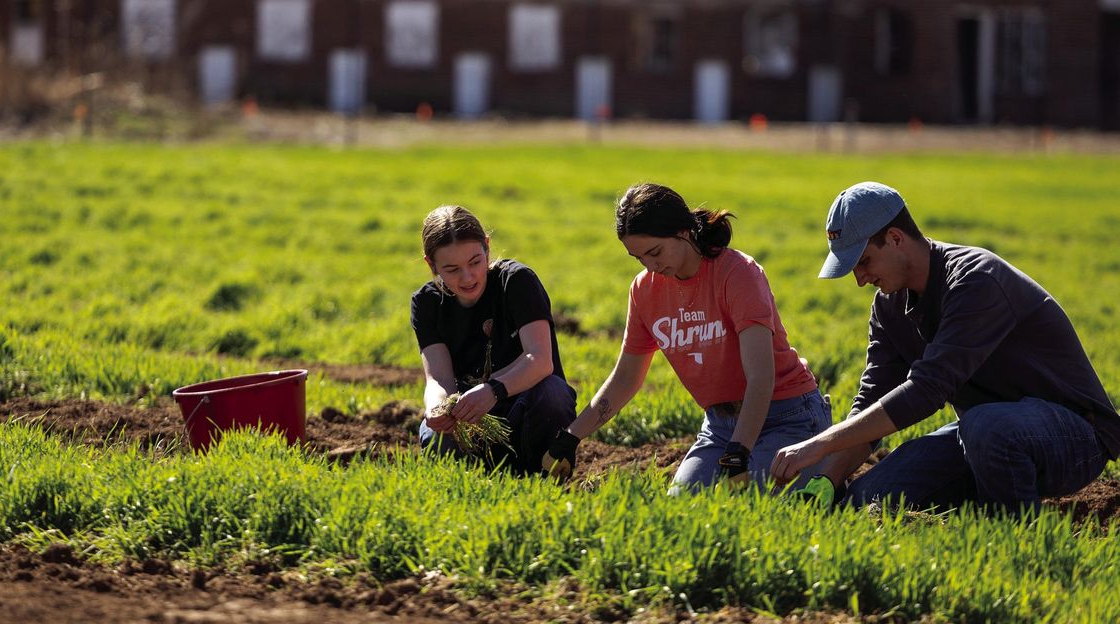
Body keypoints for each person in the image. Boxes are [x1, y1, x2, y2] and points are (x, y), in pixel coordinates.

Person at [770, 181, 1119, 514]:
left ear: (895, 239)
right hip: (982, 435)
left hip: (1073, 435)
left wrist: (820, 443)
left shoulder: (975, 280)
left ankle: (1013, 535)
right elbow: (873, 402)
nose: (859, 279)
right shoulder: (889, 306)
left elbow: (927, 390)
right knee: (866, 499)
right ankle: (978, 502)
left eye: (862, 262)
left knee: (986, 425)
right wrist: (826, 479)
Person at [541, 183, 831, 492]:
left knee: (749, 504)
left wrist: (739, 452)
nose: (651, 266)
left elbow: (761, 376)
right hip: (720, 427)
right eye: (638, 258)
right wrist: (572, 437)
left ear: (683, 232)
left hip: (786, 416)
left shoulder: (738, 273)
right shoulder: (644, 290)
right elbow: (626, 378)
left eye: (655, 252)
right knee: (682, 505)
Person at [410, 205, 576, 474]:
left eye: (475, 262)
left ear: (487, 246)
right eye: (452, 269)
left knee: (553, 392)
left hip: (527, 414)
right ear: (431, 264)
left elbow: (540, 360)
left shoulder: (517, 281)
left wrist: (493, 390)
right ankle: (472, 482)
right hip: (472, 423)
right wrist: (437, 408)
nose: (468, 277)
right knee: (433, 434)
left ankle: (545, 472)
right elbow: (438, 378)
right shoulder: (426, 302)